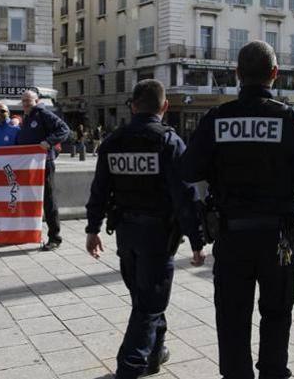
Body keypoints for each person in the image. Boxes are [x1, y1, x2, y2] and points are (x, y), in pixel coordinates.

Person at [180, 41, 294, 379]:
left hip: (231, 235)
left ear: (237, 75)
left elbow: (187, 171)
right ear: (275, 74)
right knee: (277, 312)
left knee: (232, 315)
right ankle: (273, 372)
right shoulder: (292, 119)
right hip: (278, 238)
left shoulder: (216, 118)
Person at [86, 79, 205, 379]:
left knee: (146, 298)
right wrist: (197, 239)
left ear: (133, 105)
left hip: (126, 233)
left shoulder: (113, 141)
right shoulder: (168, 141)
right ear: (165, 107)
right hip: (158, 235)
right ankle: (129, 367)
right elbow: (185, 195)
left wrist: (92, 229)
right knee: (149, 303)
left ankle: (155, 355)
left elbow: (99, 189)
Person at [16, 90, 70, 251]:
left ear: (36, 101)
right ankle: (29, 232)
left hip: (44, 163)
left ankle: (55, 237)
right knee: (30, 198)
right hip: (30, 163)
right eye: (24, 101)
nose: (26, 103)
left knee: (48, 199)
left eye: (29, 100)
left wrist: (49, 141)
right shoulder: (27, 117)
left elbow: (64, 129)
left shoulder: (43, 114)